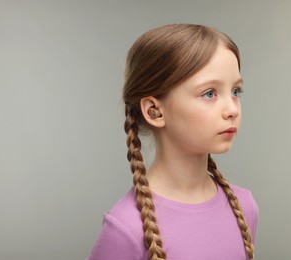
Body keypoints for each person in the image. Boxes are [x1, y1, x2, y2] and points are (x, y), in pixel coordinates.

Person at [88, 23, 259, 260]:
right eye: (209, 93)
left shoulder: (244, 207)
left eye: (236, 92)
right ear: (155, 111)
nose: (232, 109)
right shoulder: (126, 228)